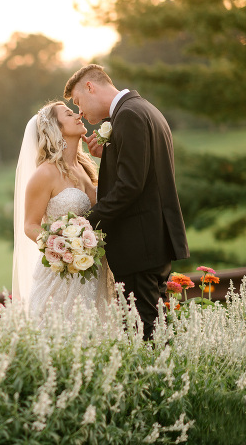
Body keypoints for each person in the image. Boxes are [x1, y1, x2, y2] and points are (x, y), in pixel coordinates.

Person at [64, 64, 189, 341]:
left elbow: (130, 186)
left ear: (90, 87)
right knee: (155, 330)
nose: (80, 111)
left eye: (77, 101)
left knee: (144, 335)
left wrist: (86, 225)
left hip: (139, 246)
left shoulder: (129, 116)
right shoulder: (142, 108)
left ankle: (154, 383)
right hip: (151, 242)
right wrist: (108, 154)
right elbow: (141, 174)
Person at [12, 101, 115, 321]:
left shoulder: (85, 166)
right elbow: (30, 226)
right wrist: (63, 247)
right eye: (69, 114)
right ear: (56, 129)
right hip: (63, 272)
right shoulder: (45, 174)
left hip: (95, 267)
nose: (78, 115)